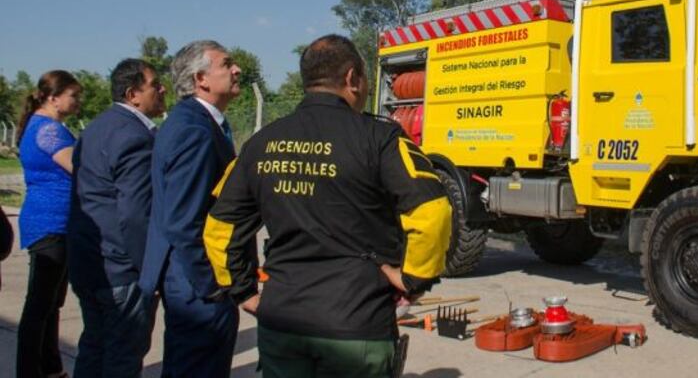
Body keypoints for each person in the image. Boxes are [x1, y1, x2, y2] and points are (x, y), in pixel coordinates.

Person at [204, 34, 452, 378]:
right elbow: (432, 210)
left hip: (282, 323)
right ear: (352, 78)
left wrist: (242, 291)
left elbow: (219, 228)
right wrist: (414, 278)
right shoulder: (381, 138)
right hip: (357, 324)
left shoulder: (259, 144)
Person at [139, 40, 242, 377]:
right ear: (201, 79)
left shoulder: (196, 121)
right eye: (226, 64)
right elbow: (183, 221)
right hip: (196, 284)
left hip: (189, 281)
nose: (237, 69)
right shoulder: (194, 130)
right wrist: (211, 286)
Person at [68, 59, 167, 377]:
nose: (162, 89)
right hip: (121, 269)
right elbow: (135, 214)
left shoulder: (96, 128)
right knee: (122, 357)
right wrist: (149, 271)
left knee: (94, 348)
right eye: (155, 85)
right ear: (132, 94)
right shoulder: (133, 135)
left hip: (89, 262)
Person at [16, 70, 82, 378]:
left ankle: (50, 367)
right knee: (40, 305)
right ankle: (30, 370)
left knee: (50, 303)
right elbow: (78, 167)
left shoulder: (41, 126)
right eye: (73, 95)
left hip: (52, 222)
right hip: (51, 222)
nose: (78, 101)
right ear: (53, 98)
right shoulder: (48, 131)